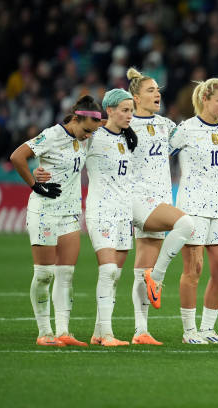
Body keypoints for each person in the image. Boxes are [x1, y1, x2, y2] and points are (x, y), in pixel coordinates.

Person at [9, 95, 102, 347]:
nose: (87, 137)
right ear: (75, 118)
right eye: (85, 131)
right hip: (45, 210)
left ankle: (63, 332)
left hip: (70, 211)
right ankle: (44, 333)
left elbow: (109, 128)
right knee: (44, 274)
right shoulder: (51, 135)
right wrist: (35, 184)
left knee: (66, 274)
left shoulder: (87, 134)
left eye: (91, 132)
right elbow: (17, 157)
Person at [169, 78, 218, 344]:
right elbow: (159, 156)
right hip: (193, 207)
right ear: (204, 100)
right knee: (194, 270)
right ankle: (190, 331)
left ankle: (209, 329)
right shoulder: (185, 129)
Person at [126, 67, 195, 346]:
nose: (157, 94)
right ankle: (158, 277)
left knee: (141, 266)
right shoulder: (124, 125)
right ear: (135, 97)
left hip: (160, 198)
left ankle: (140, 331)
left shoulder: (166, 126)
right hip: (138, 198)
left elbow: (196, 136)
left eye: (158, 89)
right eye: (150, 90)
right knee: (186, 224)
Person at [86, 88, 138, 347]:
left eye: (131, 110)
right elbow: (65, 148)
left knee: (115, 275)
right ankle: (107, 334)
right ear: (110, 110)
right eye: (125, 110)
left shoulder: (130, 139)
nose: (130, 115)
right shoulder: (93, 136)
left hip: (123, 213)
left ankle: (98, 331)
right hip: (101, 211)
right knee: (107, 271)